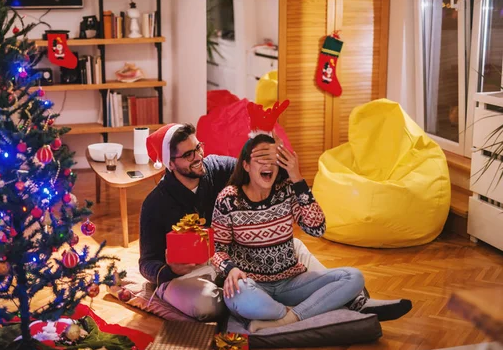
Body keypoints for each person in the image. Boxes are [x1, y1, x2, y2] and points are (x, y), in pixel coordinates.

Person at [139, 123, 412, 322]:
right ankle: (289, 303)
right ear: (170, 164)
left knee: (294, 244)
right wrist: (169, 270)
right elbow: (146, 263)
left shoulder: (218, 168)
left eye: (198, 148)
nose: (198, 157)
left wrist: (283, 166)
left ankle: (356, 300)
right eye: (188, 155)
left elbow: (258, 172)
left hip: (232, 258)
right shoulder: (154, 203)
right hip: (188, 272)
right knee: (209, 305)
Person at [211, 134, 409, 332]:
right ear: (246, 165)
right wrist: (231, 269)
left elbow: (317, 227)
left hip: (291, 283)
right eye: (262, 160)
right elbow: (217, 250)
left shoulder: (287, 190)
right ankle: (306, 311)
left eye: (274, 161)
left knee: (353, 277)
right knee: (238, 296)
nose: (269, 166)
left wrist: (297, 178)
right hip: (253, 285)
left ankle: (286, 319)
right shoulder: (228, 199)